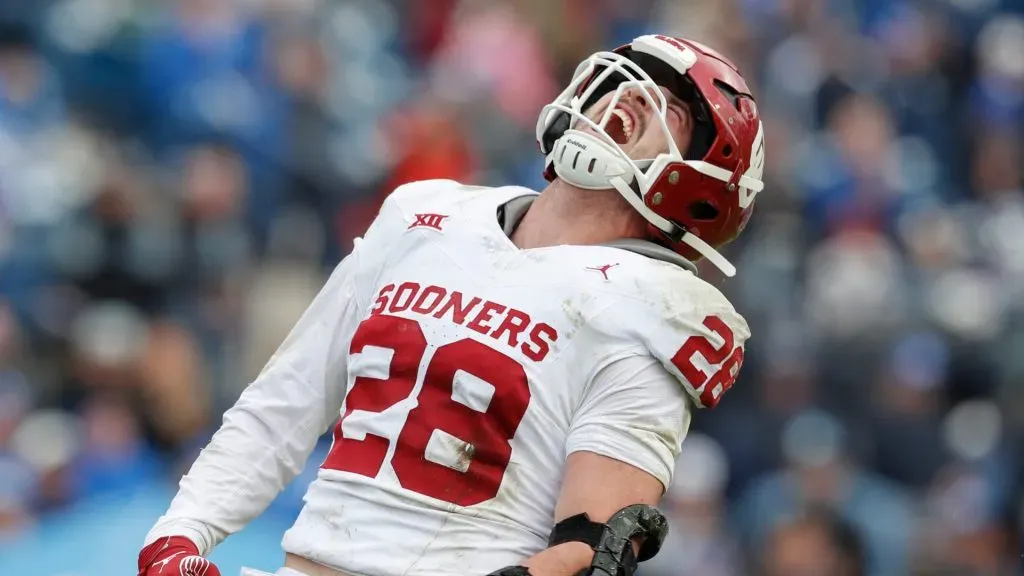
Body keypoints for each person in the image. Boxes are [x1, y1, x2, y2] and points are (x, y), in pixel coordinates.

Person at [137, 33, 765, 576]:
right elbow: (287, 401)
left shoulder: (650, 304)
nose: (628, 96)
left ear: (698, 182)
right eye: (629, 81)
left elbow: (592, 545)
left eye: (673, 108)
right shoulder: (426, 215)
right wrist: (181, 532)